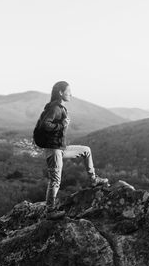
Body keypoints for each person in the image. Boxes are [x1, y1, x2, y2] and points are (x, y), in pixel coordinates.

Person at [36, 81, 109, 219]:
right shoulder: (55, 108)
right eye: (68, 91)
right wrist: (61, 124)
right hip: (54, 150)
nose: (71, 94)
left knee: (86, 150)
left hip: (61, 148)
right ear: (61, 93)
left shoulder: (59, 107)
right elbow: (45, 125)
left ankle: (93, 180)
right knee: (55, 180)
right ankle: (50, 211)